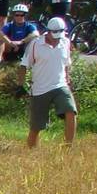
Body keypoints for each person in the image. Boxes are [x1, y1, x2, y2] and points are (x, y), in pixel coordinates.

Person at [23, 17, 77, 146]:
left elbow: (66, 64)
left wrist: (68, 80)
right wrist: (20, 85)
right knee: (36, 126)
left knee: (71, 111)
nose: (57, 38)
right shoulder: (35, 44)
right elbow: (23, 65)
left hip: (60, 85)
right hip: (40, 89)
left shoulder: (66, 42)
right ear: (48, 31)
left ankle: (68, 146)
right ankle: (31, 152)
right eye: (55, 34)